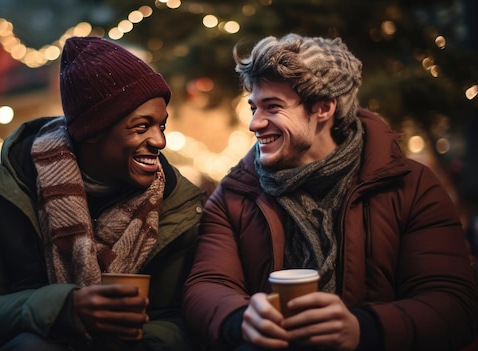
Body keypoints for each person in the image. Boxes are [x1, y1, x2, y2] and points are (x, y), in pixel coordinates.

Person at [183, 33, 478, 350]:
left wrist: (364, 329)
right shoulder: (236, 193)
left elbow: (454, 302)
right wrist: (240, 318)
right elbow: (207, 285)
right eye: (254, 107)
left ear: (323, 108)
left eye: (272, 107)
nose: (254, 123)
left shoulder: (410, 186)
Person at [0, 36, 206, 351]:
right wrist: (61, 310)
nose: (159, 141)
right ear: (92, 131)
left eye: (161, 125)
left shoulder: (178, 206)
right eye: (141, 126)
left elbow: (180, 320)